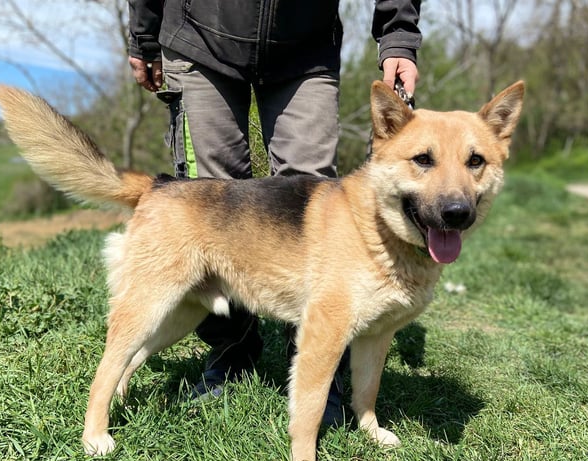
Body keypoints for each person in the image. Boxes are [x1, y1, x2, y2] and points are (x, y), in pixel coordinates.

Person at [127, 0, 422, 424]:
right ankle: (232, 352)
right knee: (209, 206)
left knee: (316, 191)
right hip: (199, 35)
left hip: (305, 45)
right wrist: (145, 35)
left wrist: (397, 36)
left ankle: (320, 364)